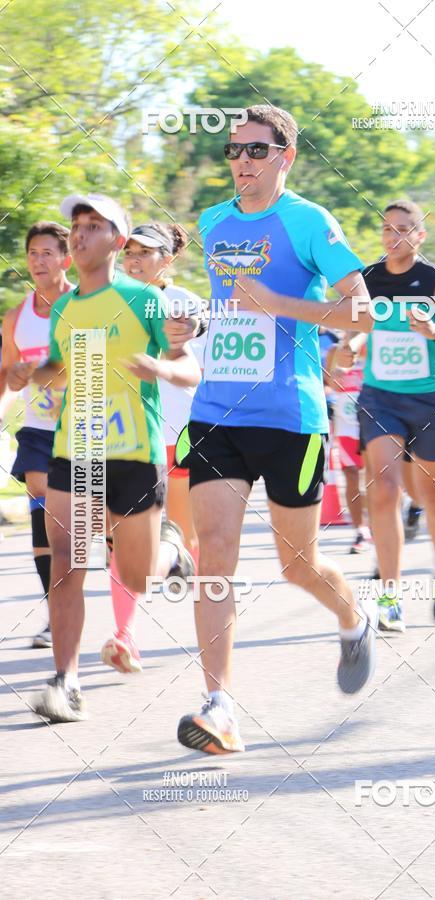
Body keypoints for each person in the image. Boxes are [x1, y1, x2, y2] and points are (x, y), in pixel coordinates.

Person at [175, 104, 376, 756]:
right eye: (235, 150)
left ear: (285, 157)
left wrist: (283, 305)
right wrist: (195, 326)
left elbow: (362, 313)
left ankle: (352, 616)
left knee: (297, 565)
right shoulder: (211, 221)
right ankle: (220, 704)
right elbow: (229, 307)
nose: (242, 161)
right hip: (217, 412)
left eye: (256, 151)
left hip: (292, 417)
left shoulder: (310, 221)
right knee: (215, 552)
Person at [8, 193, 199, 722]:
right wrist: (32, 374)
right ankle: (64, 682)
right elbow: (64, 368)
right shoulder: (67, 307)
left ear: (116, 239)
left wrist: (160, 369)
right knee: (67, 564)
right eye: (77, 225)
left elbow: (189, 371)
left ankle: (172, 553)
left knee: (135, 575)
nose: (81, 234)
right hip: (78, 448)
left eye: (94, 226)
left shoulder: (145, 301)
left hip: (135, 452)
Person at [348, 199, 435, 630]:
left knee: (431, 496)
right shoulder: (367, 278)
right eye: (387, 229)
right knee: (384, 490)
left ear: (420, 236)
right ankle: (391, 595)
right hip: (380, 397)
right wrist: (347, 347)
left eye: (403, 229)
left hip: (429, 400)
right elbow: (357, 331)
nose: (393, 237)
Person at [93, 221, 206, 675]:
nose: (135, 259)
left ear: (169, 258)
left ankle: (156, 618)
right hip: (117, 435)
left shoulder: (180, 303)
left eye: (147, 252)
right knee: (118, 540)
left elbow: (195, 356)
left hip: (176, 434)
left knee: (177, 535)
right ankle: (127, 633)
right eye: (130, 251)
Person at [0, 222, 74, 648]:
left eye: (48, 253)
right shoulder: (17, 317)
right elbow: (8, 378)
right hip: (39, 430)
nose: (39, 261)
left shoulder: (85, 306)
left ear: (66, 258)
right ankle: (55, 616)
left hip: (90, 430)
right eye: (33, 253)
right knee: (43, 518)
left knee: (96, 528)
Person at [326, 341, 371, 553]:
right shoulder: (335, 350)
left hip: (375, 420)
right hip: (346, 424)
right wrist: (332, 377)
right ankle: (360, 531)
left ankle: (381, 525)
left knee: (377, 479)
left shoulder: (375, 341)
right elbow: (328, 382)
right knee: (352, 475)